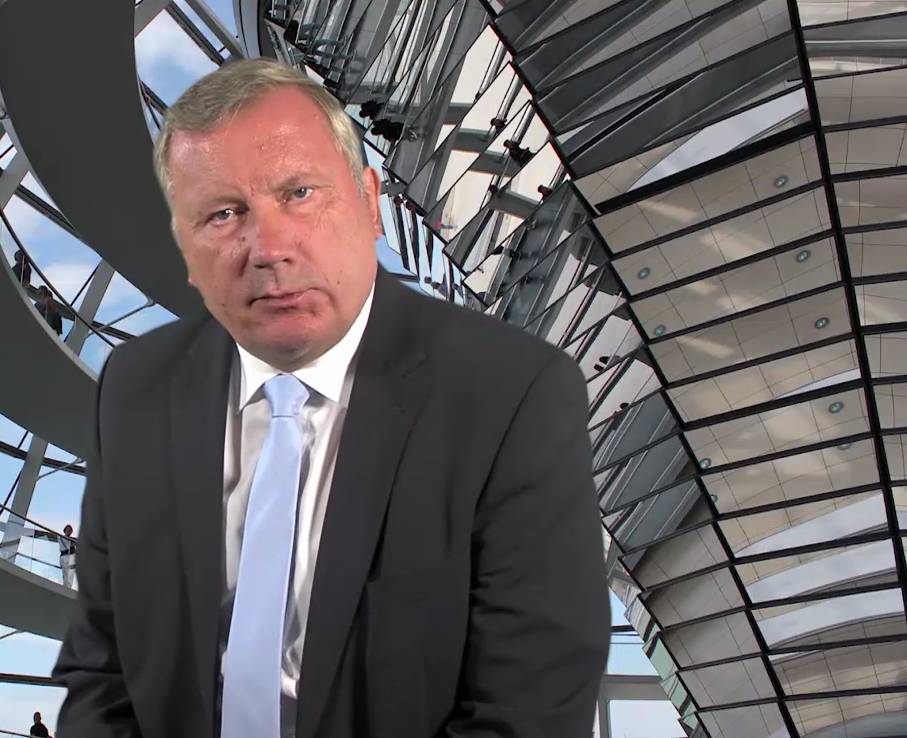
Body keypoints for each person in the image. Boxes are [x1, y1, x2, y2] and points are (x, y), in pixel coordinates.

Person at [51, 59, 609, 738]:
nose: (269, 248)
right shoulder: (137, 388)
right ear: (185, 250)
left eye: (299, 193)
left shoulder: (511, 394)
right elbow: (102, 667)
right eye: (222, 214)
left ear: (370, 203)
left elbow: (529, 711)